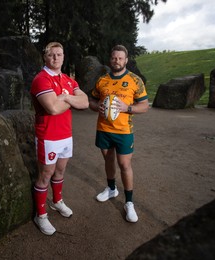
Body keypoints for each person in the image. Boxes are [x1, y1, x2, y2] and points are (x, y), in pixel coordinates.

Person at [30, 42, 89, 235]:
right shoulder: (41, 79)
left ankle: (56, 202)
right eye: (51, 54)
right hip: (48, 136)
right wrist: (69, 100)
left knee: (61, 170)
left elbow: (85, 102)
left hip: (66, 134)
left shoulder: (68, 80)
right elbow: (52, 108)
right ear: (45, 57)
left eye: (59, 54)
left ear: (64, 57)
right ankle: (40, 215)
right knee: (45, 174)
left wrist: (64, 98)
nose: (56, 58)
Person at [89, 45, 149, 223]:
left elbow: (145, 106)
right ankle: (111, 189)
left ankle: (129, 202)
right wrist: (96, 106)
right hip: (104, 129)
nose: (117, 61)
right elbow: (91, 100)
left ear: (126, 60)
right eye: (114, 58)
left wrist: (127, 108)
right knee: (108, 160)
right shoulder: (102, 80)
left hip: (124, 131)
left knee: (124, 165)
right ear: (111, 59)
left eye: (120, 58)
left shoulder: (134, 80)